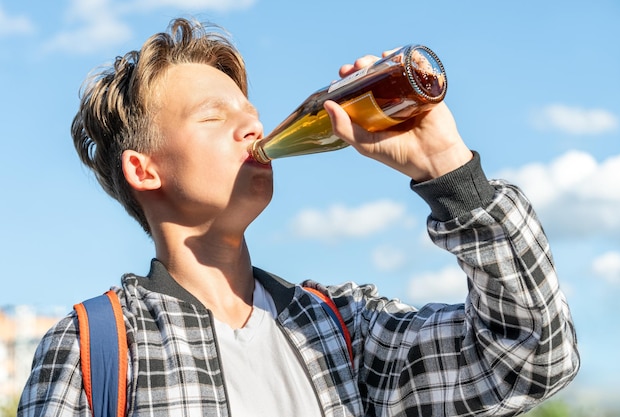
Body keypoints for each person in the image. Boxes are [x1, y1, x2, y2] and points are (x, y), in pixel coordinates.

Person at [18, 17, 579, 417]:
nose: (254, 130)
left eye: (253, 114)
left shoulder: (345, 328)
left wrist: (448, 170)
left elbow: (534, 357)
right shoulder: (92, 350)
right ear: (144, 170)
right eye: (215, 116)